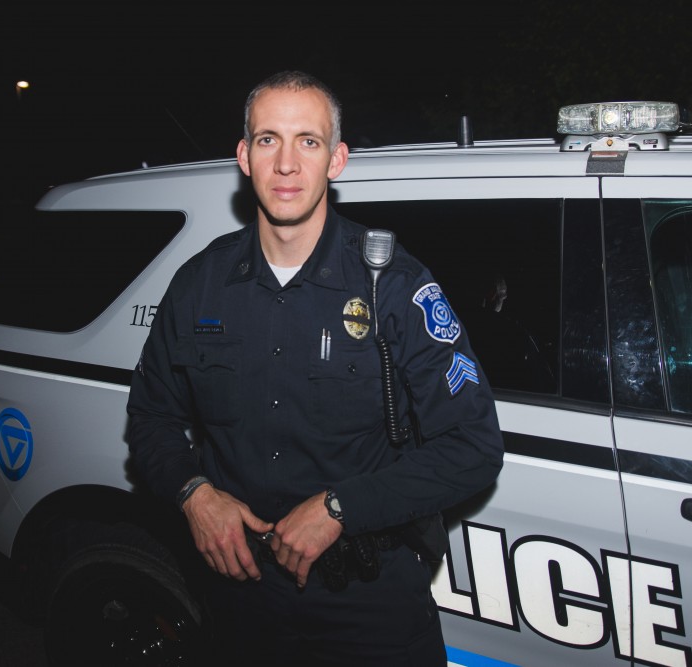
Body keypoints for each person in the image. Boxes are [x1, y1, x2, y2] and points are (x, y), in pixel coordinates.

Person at [125, 70, 504, 666]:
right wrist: (194, 494)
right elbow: (150, 415)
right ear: (244, 157)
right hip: (239, 594)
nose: (286, 164)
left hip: (366, 599)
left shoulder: (395, 287)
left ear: (337, 159)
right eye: (269, 139)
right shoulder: (199, 285)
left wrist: (340, 508)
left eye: (308, 140)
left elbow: (474, 446)